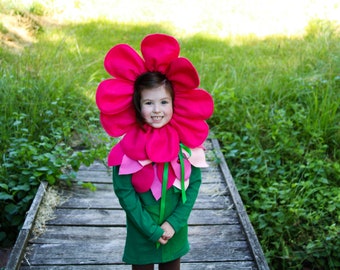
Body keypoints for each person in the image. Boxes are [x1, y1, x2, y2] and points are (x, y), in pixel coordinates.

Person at [96, 34, 214, 270]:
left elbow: (193, 185)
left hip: (175, 230)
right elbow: (124, 192)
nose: (157, 110)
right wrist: (150, 230)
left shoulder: (185, 145)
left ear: (174, 103)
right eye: (149, 103)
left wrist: (174, 223)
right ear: (137, 106)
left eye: (163, 102)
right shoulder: (128, 148)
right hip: (142, 231)